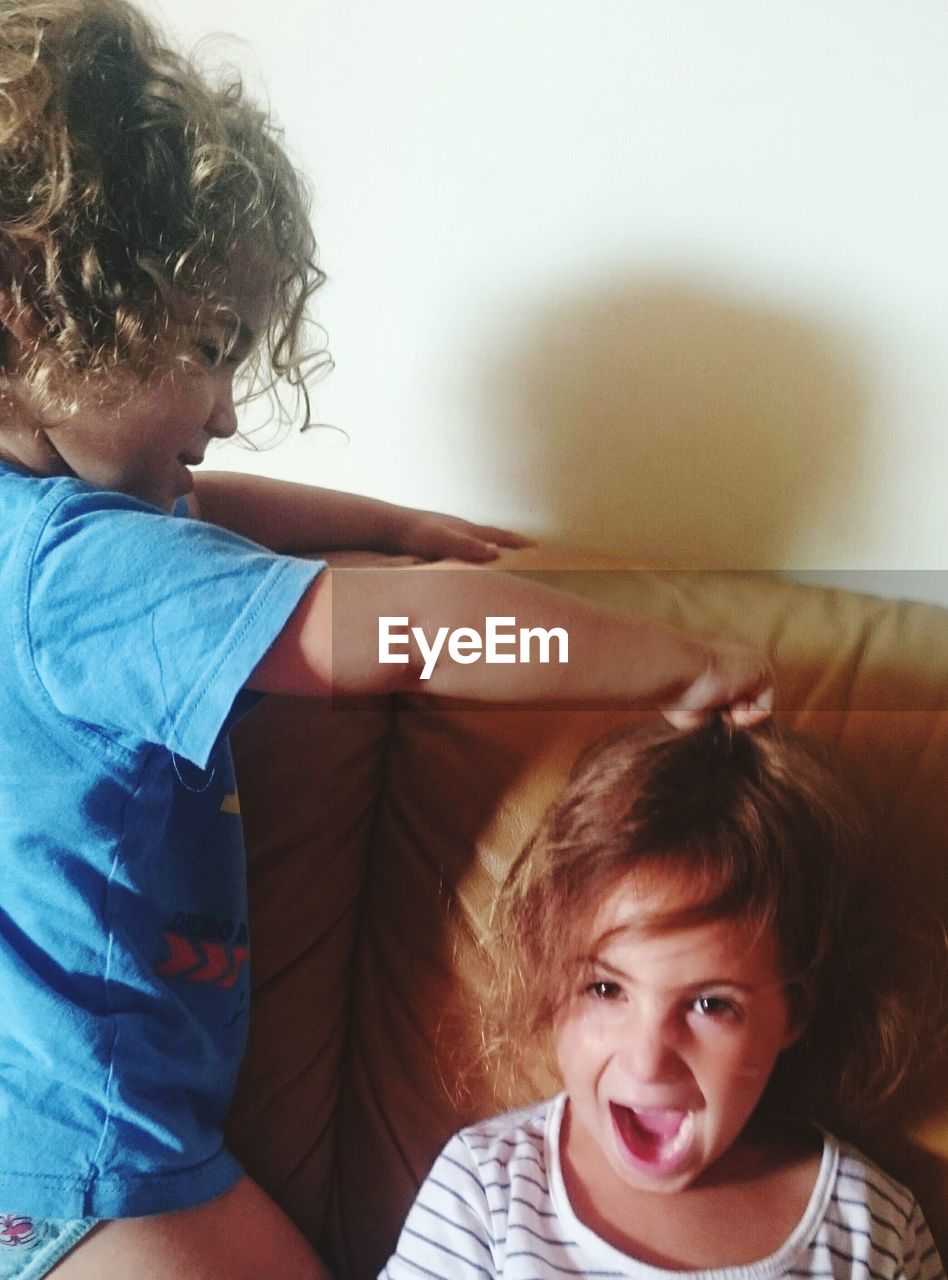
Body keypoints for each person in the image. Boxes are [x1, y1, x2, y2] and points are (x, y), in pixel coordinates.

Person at [0, 2, 774, 1277]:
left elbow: (219, 508)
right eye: (207, 348)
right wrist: (671, 659)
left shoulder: (62, 532)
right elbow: (391, 638)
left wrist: (392, 518)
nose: (229, 407)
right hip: (92, 1165)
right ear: (42, 314)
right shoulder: (81, 572)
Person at [380, 722, 945, 1279]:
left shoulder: (871, 1227)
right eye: (605, 989)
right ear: (553, 985)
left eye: (711, 1005)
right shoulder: (487, 1191)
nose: (647, 1059)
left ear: (793, 1012)